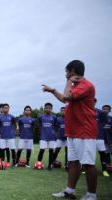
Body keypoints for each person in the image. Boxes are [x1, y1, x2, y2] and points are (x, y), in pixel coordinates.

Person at [43, 60, 98, 200]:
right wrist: (53, 91)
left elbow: (66, 96)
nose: (66, 75)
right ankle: (69, 191)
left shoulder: (85, 85)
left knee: (88, 164)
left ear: (72, 71)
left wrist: (68, 82)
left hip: (84, 132)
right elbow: (65, 100)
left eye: (67, 72)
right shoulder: (76, 87)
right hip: (73, 131)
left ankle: (91, 195)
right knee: (73, 162)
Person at [36, 103, 57, 170]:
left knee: (51, 151)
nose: (48, 109)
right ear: (44, 108)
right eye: (47, 108)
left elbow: (56, 126)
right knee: (42, 150)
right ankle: (38, 164)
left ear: (51, 109)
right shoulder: (41, 117)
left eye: (49, 108)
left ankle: (50, 165)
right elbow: (38, 125)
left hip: (52, 137)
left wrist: (55, 134)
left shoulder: (54, 117)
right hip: (43, 136)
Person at [94, 100, 109, 177]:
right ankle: (84, 169)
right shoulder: (83, 111)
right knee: (88, 154)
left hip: (99, 137)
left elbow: (104, 122)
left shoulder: (100, 112)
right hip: (88, 138)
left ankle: (104, 170)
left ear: (95, 102)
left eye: (93, 101)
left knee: (102, 154)